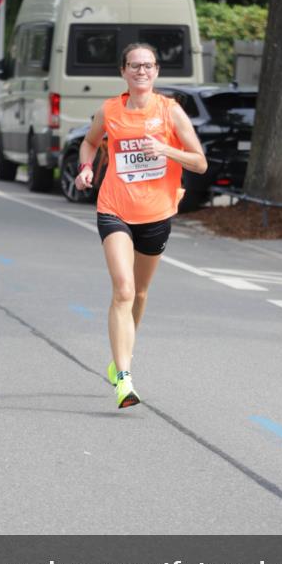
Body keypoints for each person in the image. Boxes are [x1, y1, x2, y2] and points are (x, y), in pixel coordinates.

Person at [75, 43, 207, 408]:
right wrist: (86, 169)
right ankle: (124, 378)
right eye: (134, 66)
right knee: (123, 289)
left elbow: (200, 163)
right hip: (114, 207)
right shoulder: (110, 110)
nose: (141, 71)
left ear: (157, 71)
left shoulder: (171, 112)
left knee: (141, 293)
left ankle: (122, 354)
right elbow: (89, 143)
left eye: (148, 65)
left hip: (157, 212)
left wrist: (167, 150)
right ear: (123, 72)